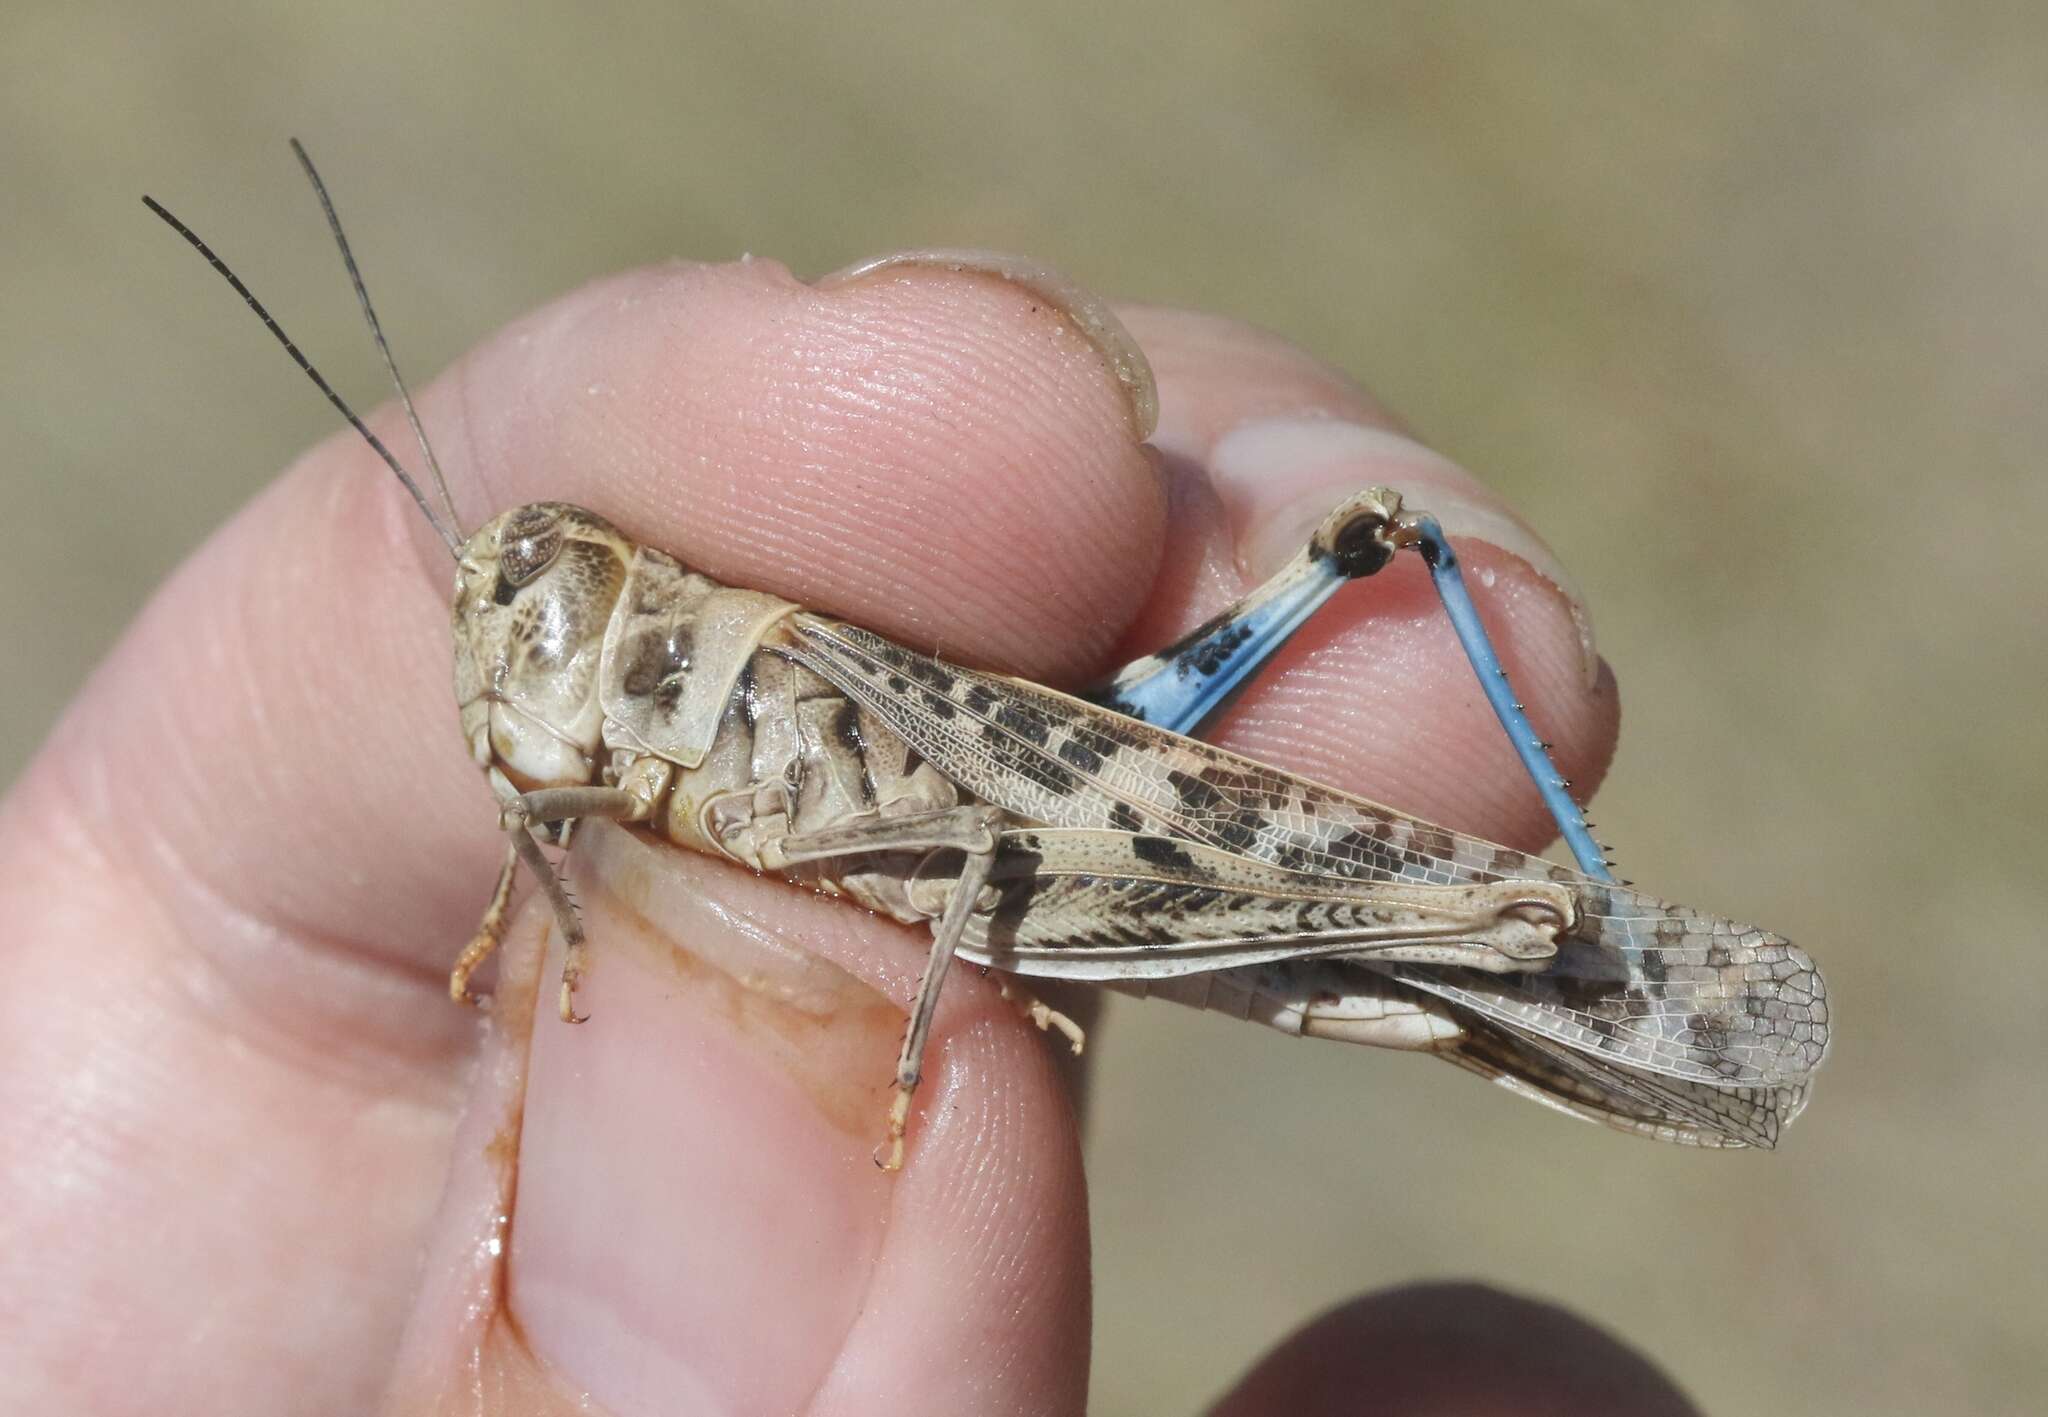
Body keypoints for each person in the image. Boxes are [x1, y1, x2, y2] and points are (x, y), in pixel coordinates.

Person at [0, 248, 1696, 1414]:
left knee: (1357, 542)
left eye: (537, 611)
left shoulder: (757, 682)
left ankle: (1573, 935)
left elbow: (959, 849)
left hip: (1070, 837)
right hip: (1033, 871)